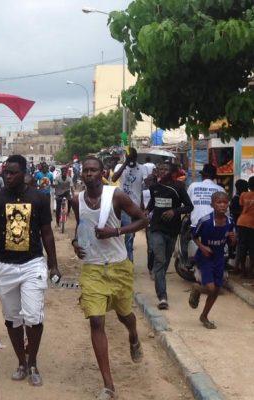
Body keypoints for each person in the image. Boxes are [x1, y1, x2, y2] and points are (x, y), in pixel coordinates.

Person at [71, 157, 147, 400]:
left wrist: (115, 231)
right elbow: (80, 228)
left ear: (102, 172)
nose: (89, 174)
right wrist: (75, 243)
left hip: (118, 266)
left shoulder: (116, 196)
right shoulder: (77, 200)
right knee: (96, 321)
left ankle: (133, 336)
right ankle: (108, 385)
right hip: (92, 268)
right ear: (81, 174)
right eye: (86, 170)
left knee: (125, 315)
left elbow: (143, 219)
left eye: (93, 170)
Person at [0, 155, 60, 386]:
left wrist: (53, 263)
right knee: (13, 318)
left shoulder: (39, 198)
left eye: (13, 172)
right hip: (4, 266)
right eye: (6, 172)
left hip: (32, 264)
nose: (8, 176)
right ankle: (21, 362)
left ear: (25, 173)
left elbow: (46, 232)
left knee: (33, 316)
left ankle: (33, 361)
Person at [147, 161, 193, 310]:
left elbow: (189, 206)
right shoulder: (154, 187)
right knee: (160, 260)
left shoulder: (178, 187)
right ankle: (162, 297)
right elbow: (152, 204)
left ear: (172, 172)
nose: (162, 171)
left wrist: (174, 211)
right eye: (160, 168)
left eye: (165, 169)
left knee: (165, 261)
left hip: (172, 230)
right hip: (156, 228)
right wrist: (144, 213)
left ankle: (160, 279)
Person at [188, 192, 236, 329]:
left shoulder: (230, 221)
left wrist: (233, 240)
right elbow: (194, 235)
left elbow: (231, 242)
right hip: (205, 258)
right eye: (219, 202)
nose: (222, 205)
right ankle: (196, 288)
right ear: (212, 205)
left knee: (216, 290)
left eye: (225, 202)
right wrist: (202, 247)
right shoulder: (206, 221)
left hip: (219, 257)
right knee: (210, 288)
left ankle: (204, 316)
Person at [111, 148, 147, 262]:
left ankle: (128, 262)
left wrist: (143, 206)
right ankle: (126, 261)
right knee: (123, 236)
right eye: (129, 157)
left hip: (134, 207)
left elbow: (145, 187)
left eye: (132, 157)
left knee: (130, 237)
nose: (131, 159)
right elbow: (114, 178)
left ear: (136, 157)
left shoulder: (142, 168)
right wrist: (125, 163)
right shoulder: (119, 167)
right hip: (121, 206)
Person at [236, 176, 254, 278]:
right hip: (252, 224)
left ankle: (243, 271)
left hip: (242, 222)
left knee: (242, 247)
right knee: (252, 248)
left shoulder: (243, 194)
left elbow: (242, 208)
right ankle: (251, 271)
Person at [230, 179, 248, 269]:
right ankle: (237, 266)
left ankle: (237, 266)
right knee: (240, 245)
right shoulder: (239, 198)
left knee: (240, 245)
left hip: (239, 224)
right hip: (241, 224)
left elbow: (233, 211)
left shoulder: (237, 198)